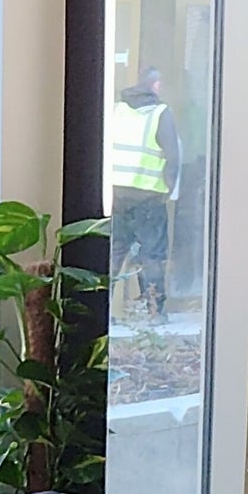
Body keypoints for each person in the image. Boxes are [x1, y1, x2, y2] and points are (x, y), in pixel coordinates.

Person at [109, 72, 176, 314]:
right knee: (153, 254)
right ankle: (154, 310)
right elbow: (173, 157)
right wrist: (168, 189)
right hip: (149, 197)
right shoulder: (160, 113)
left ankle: (100, 308)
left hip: (117, 194)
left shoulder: (116, 110)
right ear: (156, 86)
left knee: (114, 251)